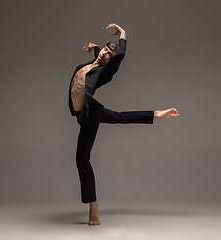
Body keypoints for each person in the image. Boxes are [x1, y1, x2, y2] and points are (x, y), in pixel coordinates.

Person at [68, 23, 179, 226]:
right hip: (88, 110)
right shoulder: (90, 64)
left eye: (109, 53)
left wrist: (123, 35)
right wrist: (96, 47)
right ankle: (156, 114)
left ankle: (93, 209)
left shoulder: (102, 73)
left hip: (90, 114)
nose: (105, 52)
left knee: (82, 160)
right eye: (105, 49)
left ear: (110, 61)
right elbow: (99, 56)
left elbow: (115, 59)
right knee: (119, 117)